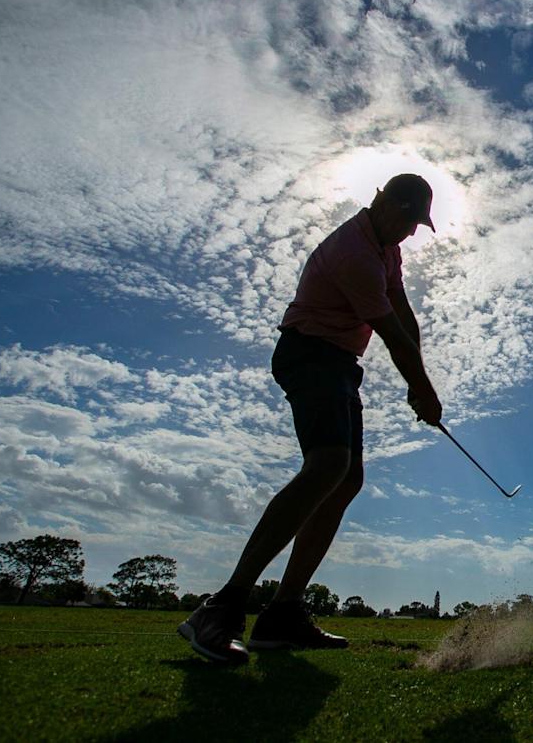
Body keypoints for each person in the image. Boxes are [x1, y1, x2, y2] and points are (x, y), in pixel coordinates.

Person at [178, 173, 443, 664]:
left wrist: (421, 381)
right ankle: (221, 607)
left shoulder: (387, 247)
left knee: (346, 480)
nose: (410, 232)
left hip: (341, 363)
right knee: (327, 465)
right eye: (406, 219)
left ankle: (281, 615)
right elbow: (389, 333)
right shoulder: (355, 253)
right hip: (308, 353)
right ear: (382, 202)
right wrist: (421, 388)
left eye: (416, 224)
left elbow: (404, 314)